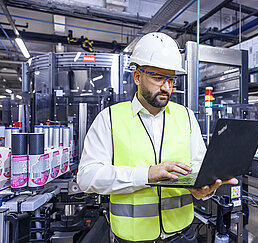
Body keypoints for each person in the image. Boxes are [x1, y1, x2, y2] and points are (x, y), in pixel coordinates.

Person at [77, 32, 237, 243]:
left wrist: (204, 190)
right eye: (158, 78)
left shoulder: (186, 117)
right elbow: (87, 177)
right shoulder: (109, 119)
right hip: (132, 238)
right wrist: (147, 174)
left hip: (183, 236)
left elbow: (199, 165)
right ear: (137, 77)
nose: (166, 87)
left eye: (170, 79)